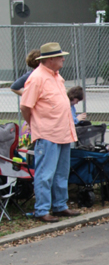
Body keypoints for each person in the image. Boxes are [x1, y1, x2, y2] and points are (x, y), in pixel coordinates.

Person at [19, 42, 81, 222]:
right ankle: (42, 210)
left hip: (62, 132)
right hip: (47, 133)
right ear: (50, 59)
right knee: (45, 174)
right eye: (60, 56)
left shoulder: (56, 76)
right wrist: (34, 122)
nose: (63, 59)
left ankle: (60, 205)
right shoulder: (37, 78)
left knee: (61, 172)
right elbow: (25, 105)